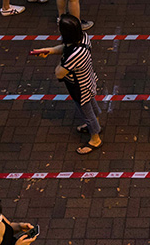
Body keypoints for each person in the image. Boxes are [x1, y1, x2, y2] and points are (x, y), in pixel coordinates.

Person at [31, 14, 103, 155]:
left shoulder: (74, 55)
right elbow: (65, 47)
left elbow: (59, 73)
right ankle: (96, 123)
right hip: (87, 80)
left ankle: (95, 138)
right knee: (91, 106)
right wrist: (50, 50)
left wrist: (61, 61)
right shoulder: (83, 38)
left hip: (79, 87)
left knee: (86, 112)